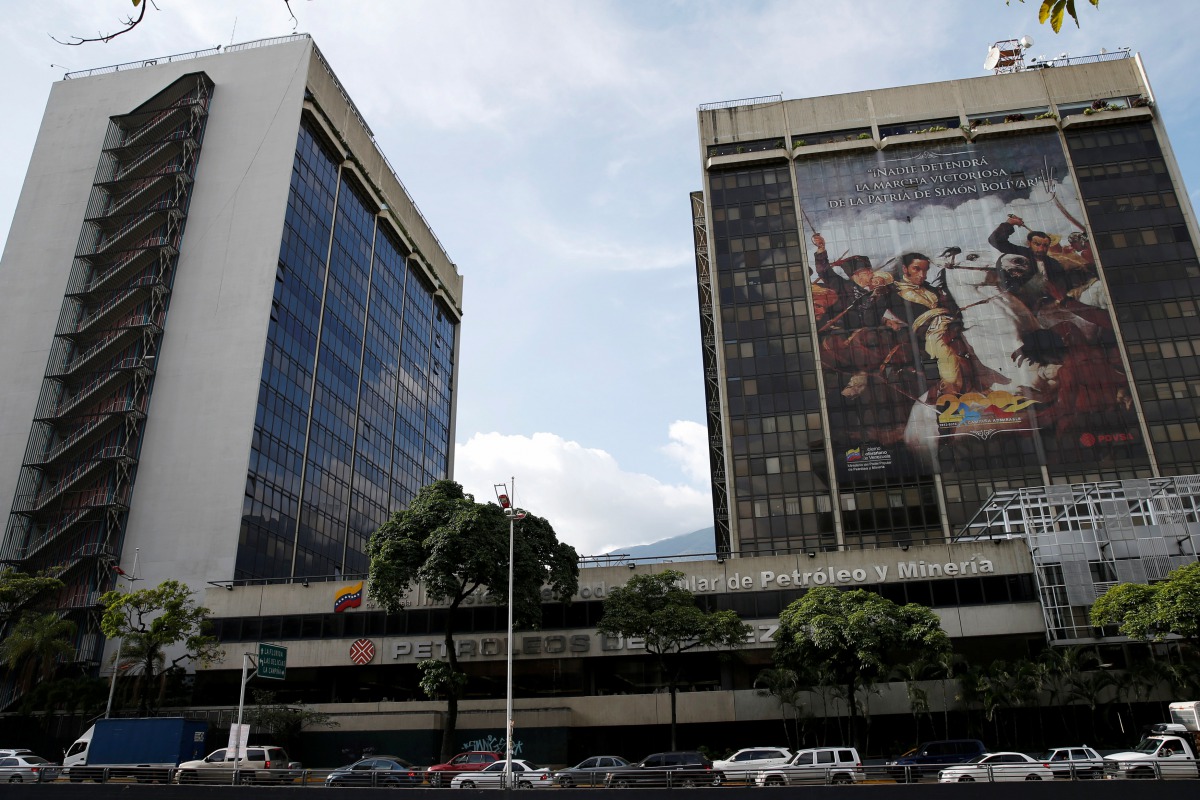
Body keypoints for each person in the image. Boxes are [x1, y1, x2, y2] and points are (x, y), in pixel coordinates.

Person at [888, 252, 976, 398]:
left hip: (948, 321)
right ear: (905, 269)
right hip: (923, 331)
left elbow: (953, 307)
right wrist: (887, 321)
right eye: (917, 269)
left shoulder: (933, 289)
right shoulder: (892, 291)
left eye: (925, 270)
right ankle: (950, 389)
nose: (923, 274)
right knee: (936, 350)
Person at [988, 214, 1075, 306]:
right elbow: (995, 241)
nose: (1041, 249)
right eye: (1037, 244)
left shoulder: (1053, 263)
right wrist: (1009, 223)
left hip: (1048, 306)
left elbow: (1065, 284)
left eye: (1045, 246)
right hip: (1020, 303)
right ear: (1029, 243)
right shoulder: (1020, 253)